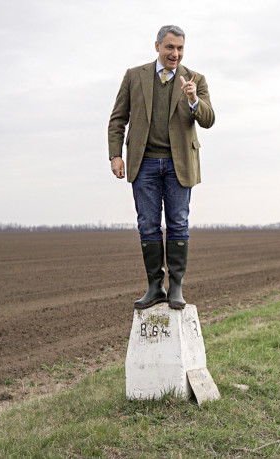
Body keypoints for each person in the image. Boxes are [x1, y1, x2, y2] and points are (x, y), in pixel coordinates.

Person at [108, 25, 215, 310]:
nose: (175, 54)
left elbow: (208, 119)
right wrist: (115, 156)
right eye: (170, 47)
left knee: (178, 223)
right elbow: (118, 118)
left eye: (180, 48)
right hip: (143, 163)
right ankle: (155, 286)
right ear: (157, 46)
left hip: (179, 164)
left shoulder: (195, 79)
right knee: (148, 225)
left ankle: (176, 286)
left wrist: (193, 99)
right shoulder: (134, 76)